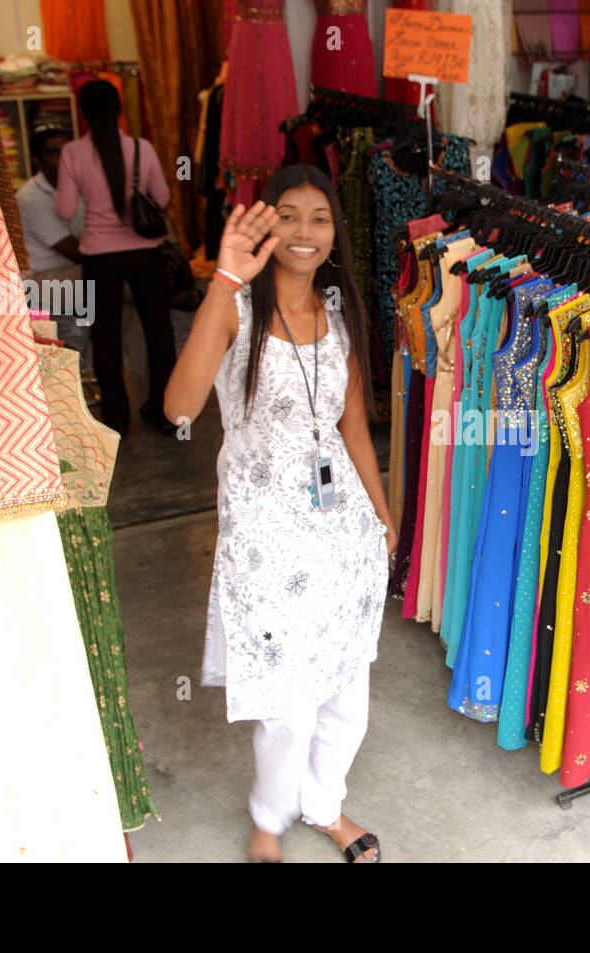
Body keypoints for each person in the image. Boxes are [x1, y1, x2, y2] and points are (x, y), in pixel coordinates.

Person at [164, 165, 394, 864]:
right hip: (266, 544)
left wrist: (381, 518)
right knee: (286, 705)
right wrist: (223, 280)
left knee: (346, 694)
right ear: (265, 225)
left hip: (342, 536)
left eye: (319, 218)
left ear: (334, 233)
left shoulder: (339, 314)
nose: (303, 231)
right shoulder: (235, 310)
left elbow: (353, 430)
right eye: (287, 215)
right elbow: (179, 406)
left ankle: (323, 805)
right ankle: (269, 816)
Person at [55, 79, 175, 437]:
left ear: (83, 113)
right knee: (159, 332)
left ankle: (116, 419)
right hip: (145, 254)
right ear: (119, 109)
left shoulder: (72, 153)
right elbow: (162, 198)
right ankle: (166, 411)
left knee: (105, 338)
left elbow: (64, 208)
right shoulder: (141, 148)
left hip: (99, 256)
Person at [17, 126, 87, 351]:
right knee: (118, 277)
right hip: (43, 281)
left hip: (74, 271)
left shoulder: (78, 187)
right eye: (54, 152)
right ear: (37, 161)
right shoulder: (31, 198)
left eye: (66, 151)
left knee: (129, 286)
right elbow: (75, 251)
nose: (64, 159)